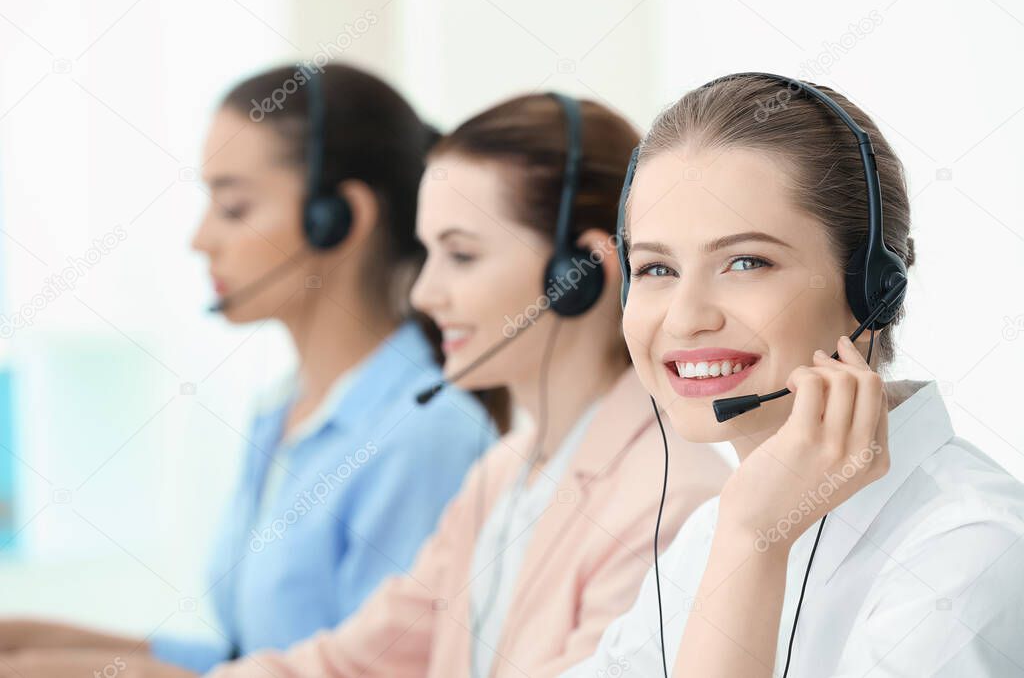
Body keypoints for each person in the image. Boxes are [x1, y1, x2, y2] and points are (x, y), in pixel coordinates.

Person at [203, 93, 731, 677]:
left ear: (576, 275)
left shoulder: (669, 500)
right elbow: (352, 663)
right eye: (428, 254)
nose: (424, 294)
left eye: (460, 255)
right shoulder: (502, 474)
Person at [0, 64, 496, 676]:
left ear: (336, 218)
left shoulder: (423, 436)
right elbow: (249, 657)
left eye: (234, 207)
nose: (201, 239)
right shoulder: (282, 411)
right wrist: (24, 643)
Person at [564, 73, 1024, 677]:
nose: (685, 317)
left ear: (872, 289)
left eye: (746, 262)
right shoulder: (711, 534)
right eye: (655, 268)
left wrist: (753, 545)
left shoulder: (973, 553)